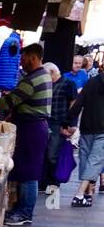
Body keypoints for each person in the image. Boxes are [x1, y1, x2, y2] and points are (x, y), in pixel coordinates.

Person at [0, 41, 52, 226]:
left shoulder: (32, 79)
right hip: (34, 127)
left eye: (23, 58)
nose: (21, 61)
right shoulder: (43, 75)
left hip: (32, 128)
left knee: (29, 173)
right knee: (27, 169)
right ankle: (22, 209)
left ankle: (25, 213)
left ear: (33, 57)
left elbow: (7, 102)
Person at [68, 66, 104, 206]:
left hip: (87, 126)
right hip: (102, 129)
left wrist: (68, 122)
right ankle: (79, 194)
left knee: (85, 157)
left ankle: (88, 193)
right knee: (95, 160)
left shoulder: (91, 82)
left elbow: (79, 102)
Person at [42, 63, 76, 192]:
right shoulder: (48, 85)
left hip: (59, 123)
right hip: (47, 122)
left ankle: (53, 182)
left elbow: (73, 104)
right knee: (47, 153)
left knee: (52, 154)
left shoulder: (68, 83)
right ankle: (45, 181)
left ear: (52, 72)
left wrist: (69, 124)